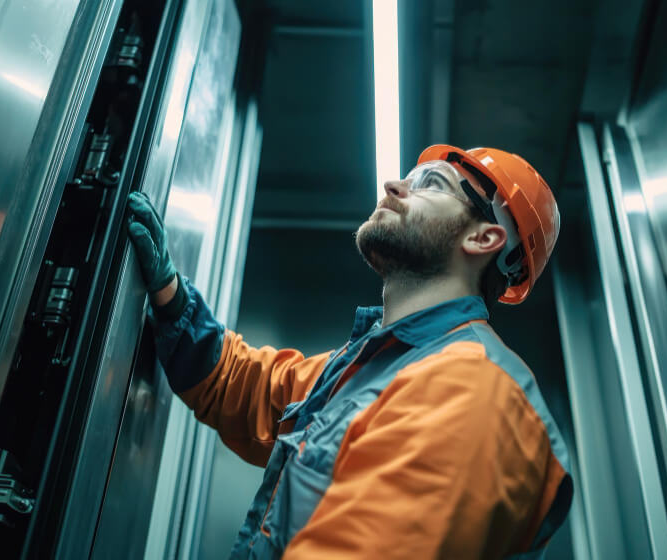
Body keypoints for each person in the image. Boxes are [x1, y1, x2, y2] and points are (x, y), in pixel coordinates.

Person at [126, 144, 572, 559]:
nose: (394, 186)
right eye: (410, 176)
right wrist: (171, 297)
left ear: (483, 239)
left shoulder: (475, 390)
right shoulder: (375, 366)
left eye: (431, 184)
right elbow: (249, 389)